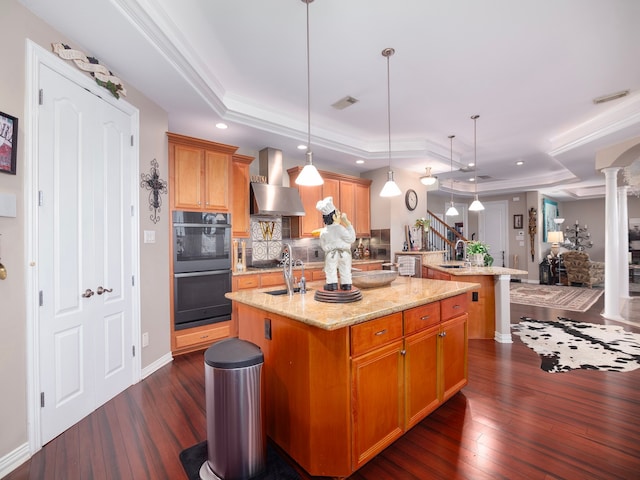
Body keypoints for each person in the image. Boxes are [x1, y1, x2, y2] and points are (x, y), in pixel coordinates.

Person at [315, 197, 356, 291]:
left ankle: (332, 285)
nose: (340, 215)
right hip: (344, 253)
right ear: (334, 217)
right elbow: (351, 238)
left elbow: (323, 245)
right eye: (338, 213)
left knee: (330, 270)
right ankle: (346, 285)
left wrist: (329, 249)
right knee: (345, 269)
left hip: (331, 254)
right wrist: (348, 223)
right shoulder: (340, 228)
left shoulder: (323, 231)